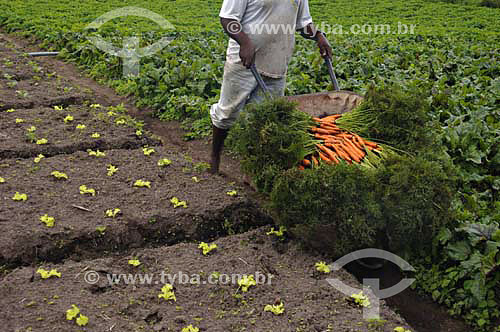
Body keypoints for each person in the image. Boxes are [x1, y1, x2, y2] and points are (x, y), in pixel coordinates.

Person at [210, 0, 333, 174]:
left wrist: (318, 35)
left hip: (277, 62)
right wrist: (244, 42)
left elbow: (303, 24)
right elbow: (228, 19)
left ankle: (252, 170)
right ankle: (215, 157)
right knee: (227, 113)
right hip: (244, 61)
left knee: (264, 118)